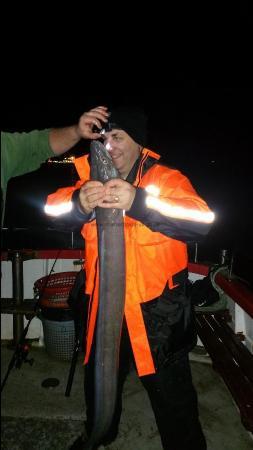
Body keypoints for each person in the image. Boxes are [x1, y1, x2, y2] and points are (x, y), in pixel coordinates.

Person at [45, 106, 214, 450]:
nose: (110, 147)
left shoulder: (166, 179)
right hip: (101, 312)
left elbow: (201, 222)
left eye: (118, 137)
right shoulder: (88, 182)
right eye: (103, 139)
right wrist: (78, 202)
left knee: (173, 401)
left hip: (157, 317)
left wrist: (140, 203)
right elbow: (51, 210)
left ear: (138, 142)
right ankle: (99, 435)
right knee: (100, 388)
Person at [1, 105, 109, 220]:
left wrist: (76, 131)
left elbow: (39, 145)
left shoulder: (4, 146)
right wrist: (79, 206)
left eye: (117, 138)